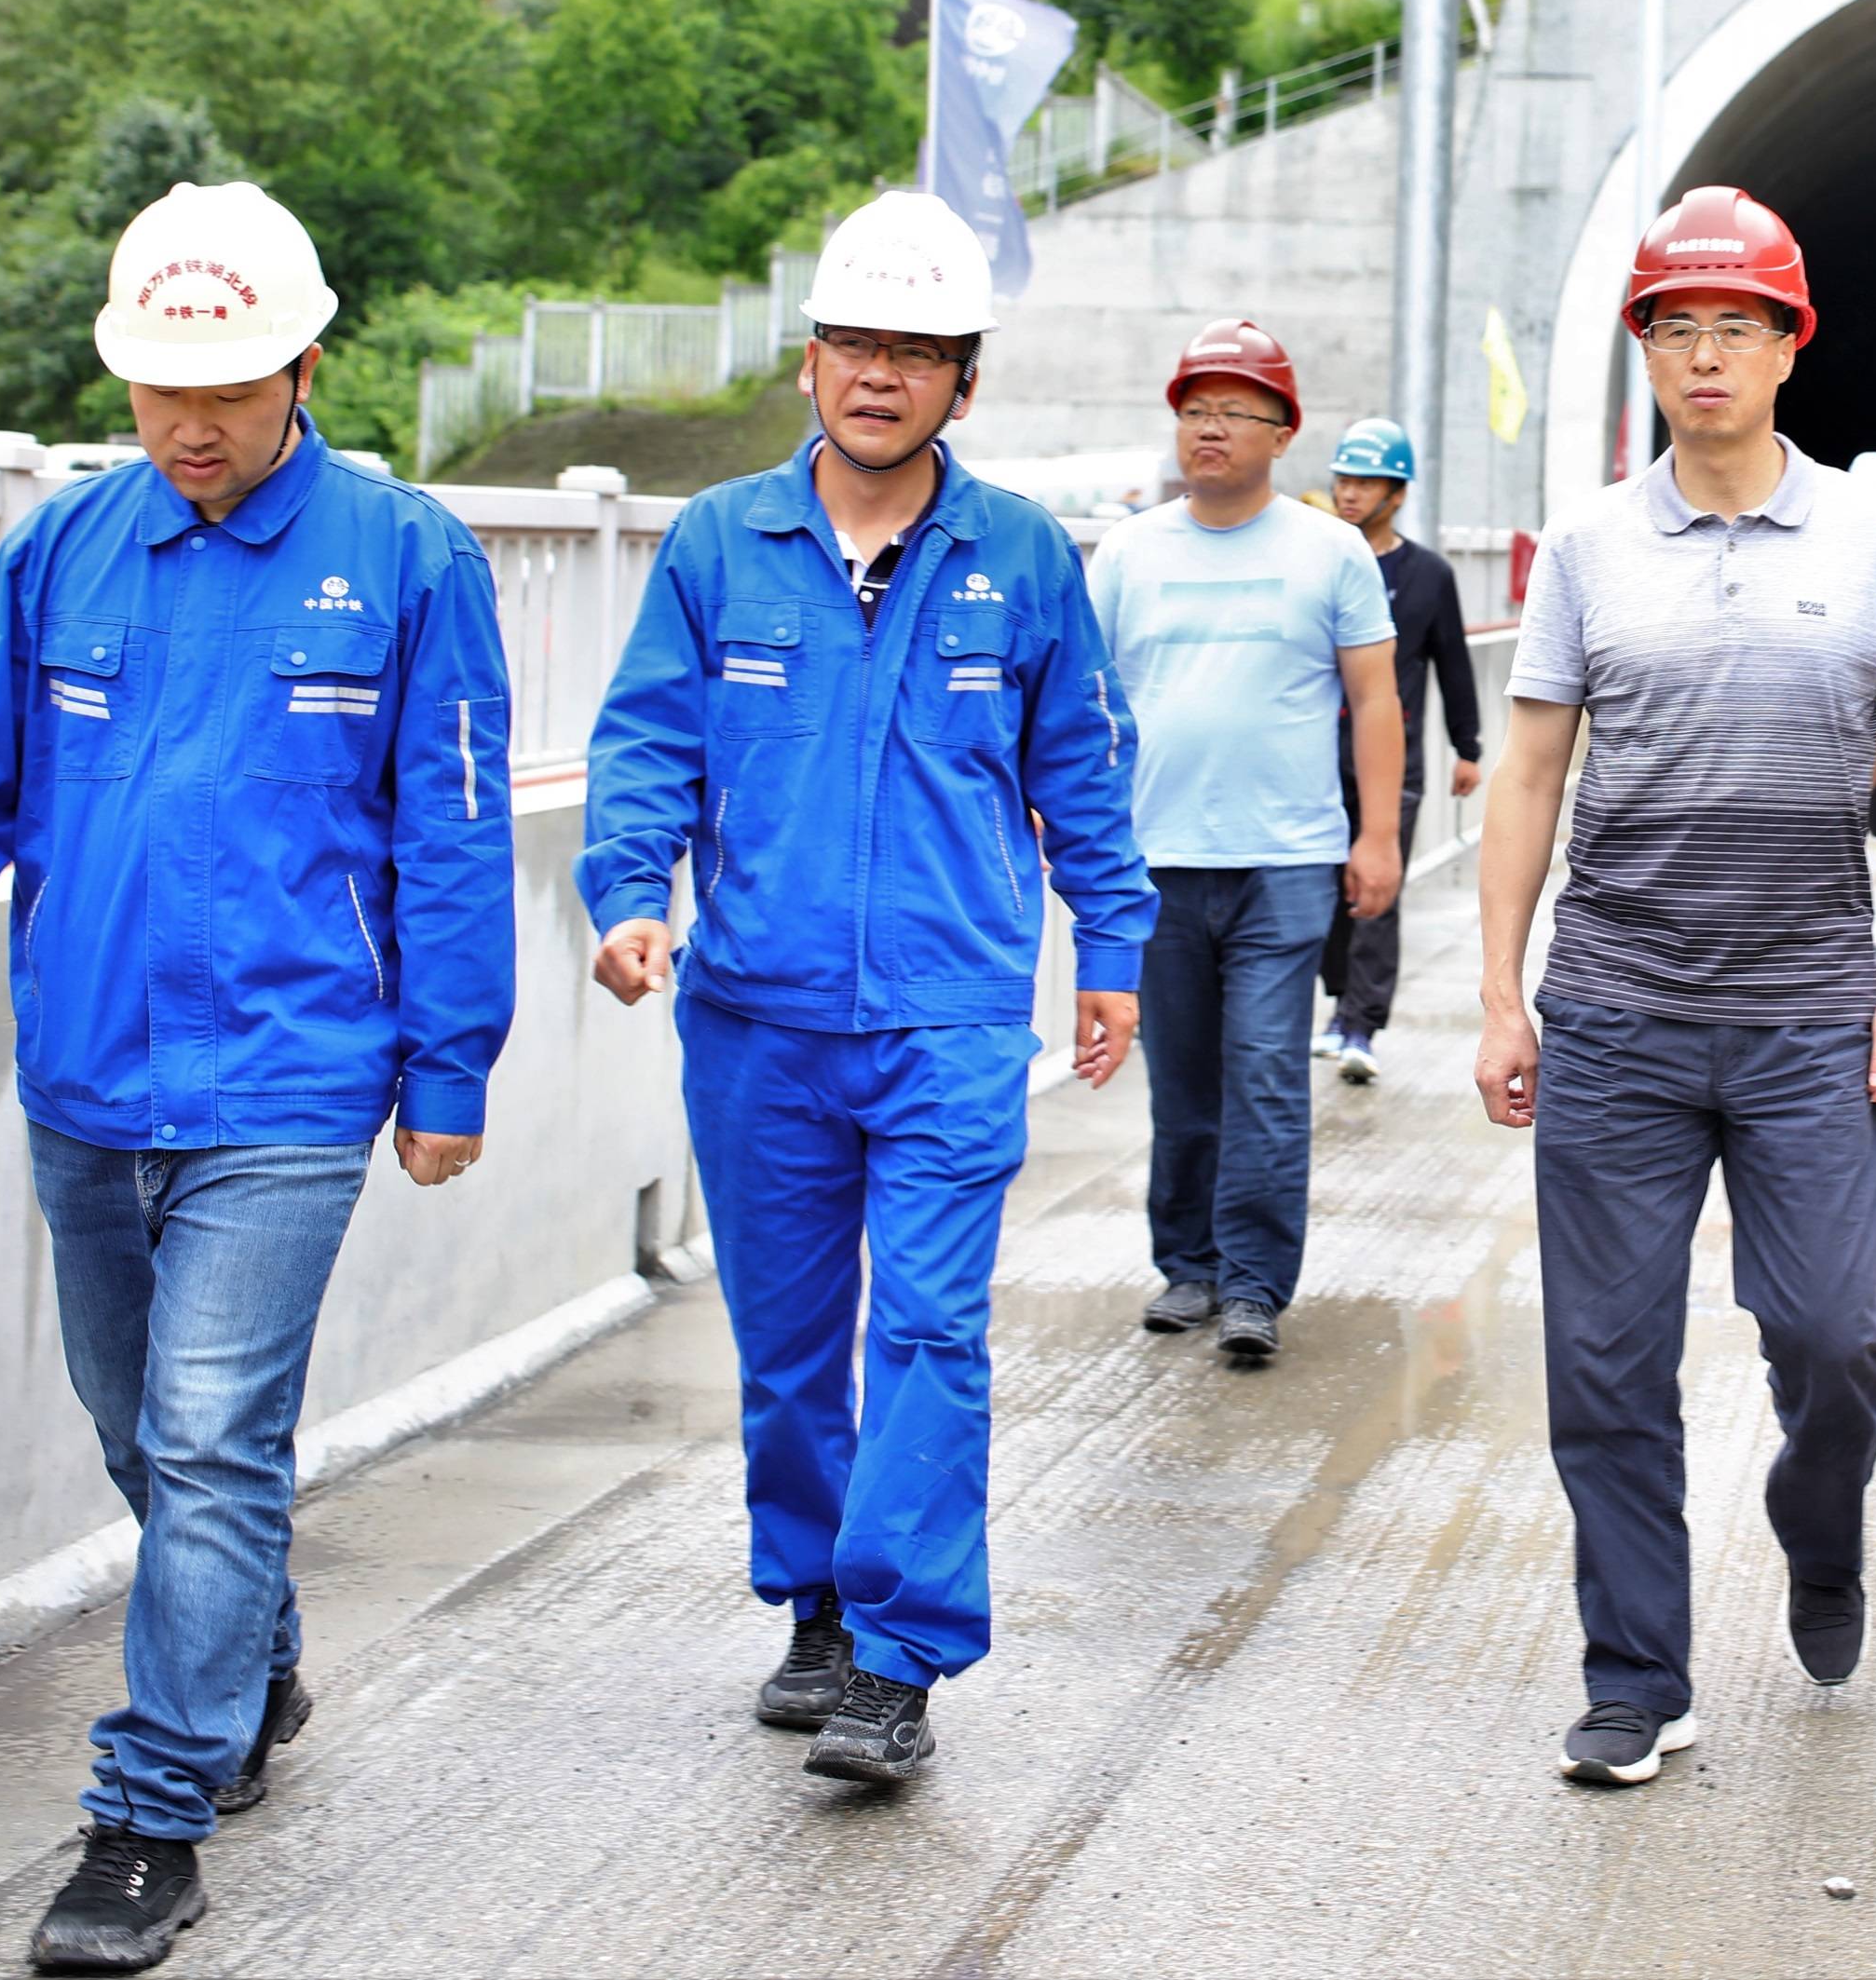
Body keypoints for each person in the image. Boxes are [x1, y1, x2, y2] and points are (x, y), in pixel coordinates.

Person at [0, 182, 513, 1973]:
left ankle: (148, 1810)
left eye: (226, 383)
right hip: (83, 1072)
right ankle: (250, 1645)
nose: (190, 422)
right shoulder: (64, 550)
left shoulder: (406, 553)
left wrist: (451, 1061)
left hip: (290, 1077)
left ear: (304, 362)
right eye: (155, 387)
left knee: (211, 1430)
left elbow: (444, 832)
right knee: (144, 1433)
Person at [578, 188, 1156, 1788]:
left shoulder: (1023, 555)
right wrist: (627, 893)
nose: (878, 376)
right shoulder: (719, 544)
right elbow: (644, 749)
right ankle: (816, 1591)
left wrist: (1107, 948)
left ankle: (900, 1652)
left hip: (949, 1013)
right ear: (811, 361)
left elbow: (1085, 773)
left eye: (915, 353)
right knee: (783, 1341)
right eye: (853, 345)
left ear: (963, 382)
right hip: (756, 1018)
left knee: (925, 1329)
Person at [1475, 185, 1876, 1787]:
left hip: (1811, 1008)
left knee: (1838, 1339)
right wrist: (1500, 990)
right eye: (1676, 325)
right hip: (1616, 1010)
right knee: (1605, 1364)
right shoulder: (1594, 545)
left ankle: (1818, 1528)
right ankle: (1637, 1672)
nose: (1704, 353)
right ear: (1646, 347)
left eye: (1734, 325)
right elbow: (1530, 772)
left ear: (1786, 344)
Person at [1094, 319, 1401, 1364]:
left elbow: (1374, 699)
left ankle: (1257, 1282)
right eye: (1194, 409)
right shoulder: (1129, 550)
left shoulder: (1329, 550)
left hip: (1286, 859)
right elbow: (1089, 704)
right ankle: (1188, 1263)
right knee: (1181, 1078)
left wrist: (1379, 836)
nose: (1209, 428)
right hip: (1155, 859)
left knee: (1266, 1070)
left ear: (1282, 434)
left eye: (1233, 410)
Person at [1316, 416, 1485, 1080]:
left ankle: (1362, 1024)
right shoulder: (1320, 557)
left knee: (1376, 889)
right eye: (1343, 480)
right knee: (1326, 891)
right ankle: (1338, 1006)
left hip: (1393, 762)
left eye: (1366, 482)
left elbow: (1453, 661)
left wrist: (1466, 746)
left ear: (1398, 493)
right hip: (1314, 757)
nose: (1350, 493)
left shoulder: (1428, 574)